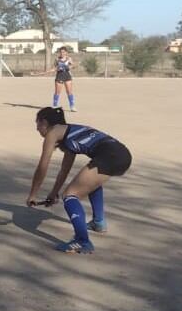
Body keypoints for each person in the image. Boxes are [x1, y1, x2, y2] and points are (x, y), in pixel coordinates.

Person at [26, 106, 132, 254]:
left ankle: (82, 241)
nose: (37, 129)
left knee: (70, 195)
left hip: (110, 156)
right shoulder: (69, 134)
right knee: (90, 182)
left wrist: (32, 194)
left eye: (37, 124)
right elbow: (64, 170)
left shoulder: (53, 133)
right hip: (122, 154)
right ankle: (98, 222)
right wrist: (53, 193)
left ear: (44, 122)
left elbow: (42, 167)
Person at [37, 46, 76, 111]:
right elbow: (54, 68)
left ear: (66, 52)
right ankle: (55, 105)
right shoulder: (57, 59)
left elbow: (73, 66)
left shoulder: (69, 59)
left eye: (63, 52)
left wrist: (69, 66)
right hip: (59, 76)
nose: (62, 53)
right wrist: (48, 71)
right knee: (57, 92)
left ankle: (72, 106)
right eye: (61, 52)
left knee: (69, 92)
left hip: (67, 76)